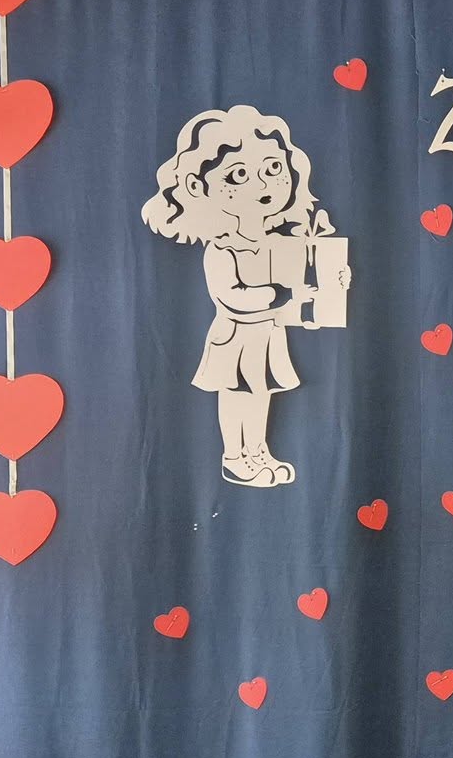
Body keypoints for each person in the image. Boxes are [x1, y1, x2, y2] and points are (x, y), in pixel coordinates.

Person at [140, 106, 349, 487]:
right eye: (238, 175)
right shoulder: (222, 248)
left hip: (267, 336)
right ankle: (234, 457)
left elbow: (300, 284)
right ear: (199, 187)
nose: (262, 185)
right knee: (237, 396)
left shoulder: (279, 243)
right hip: (236, 337)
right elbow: (232, 297)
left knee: (261, 395)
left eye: (273, 168)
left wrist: (331, 280)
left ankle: (257, 450)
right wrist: (280, 293)